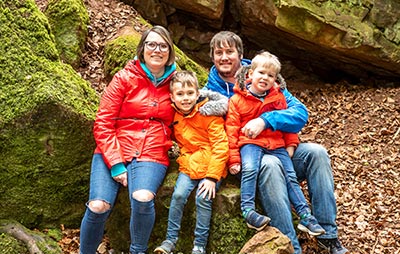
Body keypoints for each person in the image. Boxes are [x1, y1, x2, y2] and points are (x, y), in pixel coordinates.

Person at [203, 31, 348, 254]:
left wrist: (266, 120)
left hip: (277, 145)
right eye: (218, 52)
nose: (224, 57)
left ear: (241, 56)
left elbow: (299, 113)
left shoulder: (267, 76)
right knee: (271, 165)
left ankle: (327, 234)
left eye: (229, 51)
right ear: (212, 57)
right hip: (246, 159)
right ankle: (291, 245)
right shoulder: (209, 91)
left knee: (316, 153)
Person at [79, 25, 177, 254]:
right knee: (98, 205)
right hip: (114, 145)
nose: (157, 50)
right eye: (151, 44)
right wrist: (115, 163)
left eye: (163, 46)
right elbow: (103, 122)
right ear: (142, 48)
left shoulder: (176, 82)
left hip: (152, 149)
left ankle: (137, 251)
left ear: (170, 52)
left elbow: (192, 108)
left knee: (142, 197)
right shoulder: (124, 78)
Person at [225, 51, 325, 237]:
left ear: (275, 79)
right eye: (261, 73)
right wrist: (233, 159)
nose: (265, 78)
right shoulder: (237, 99)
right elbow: (231, 130)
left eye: (270, 76)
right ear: (250, 74)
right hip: (250, 143)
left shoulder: (278, 98)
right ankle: (248, 210)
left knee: (290, 176)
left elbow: (288, 125)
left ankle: (305, 215)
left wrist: (291, 144)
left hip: (276, 144)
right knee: (250, 168)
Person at [154, 71, 229, 254]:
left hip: (212, 165)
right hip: (189, 164)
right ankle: (170, 240)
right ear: (172, 97)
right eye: (180, 94)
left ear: (198, 94)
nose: (185, 98)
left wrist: (212, 177)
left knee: (203, 198)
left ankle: (199, 245)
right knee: (178, 195)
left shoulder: (209, 114)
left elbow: (220, 146)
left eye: (189, 93)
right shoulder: (174, 115)